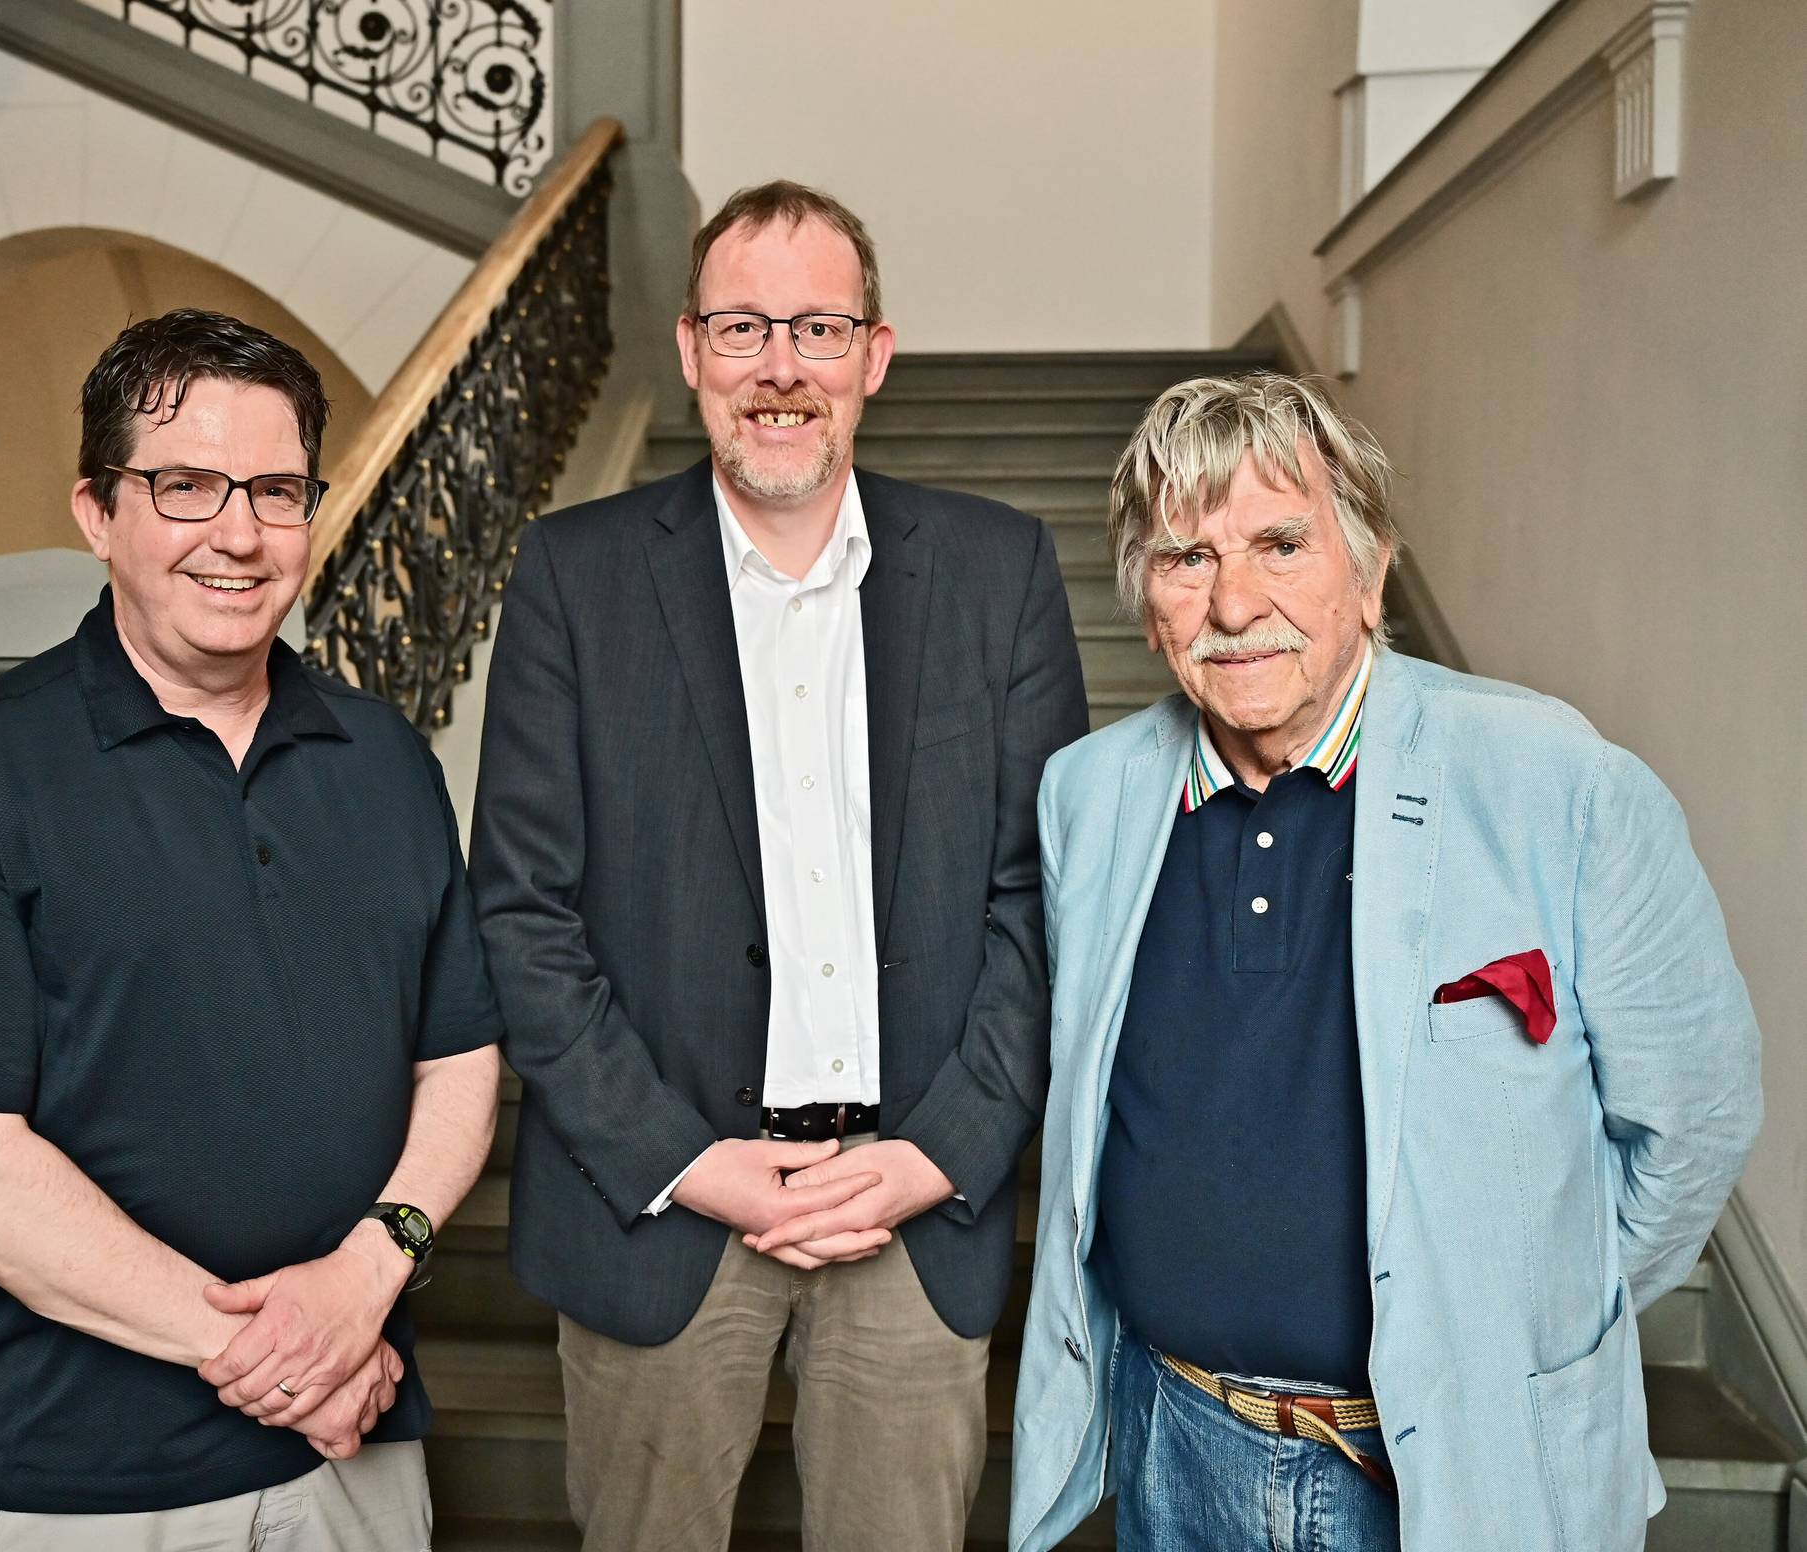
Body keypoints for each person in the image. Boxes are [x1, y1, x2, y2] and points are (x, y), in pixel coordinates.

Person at [1007, 371, 1762, 1552]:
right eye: (1186, 557)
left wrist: (1507, 1316)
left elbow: (1695, 1118)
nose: (1235, 601)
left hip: (1456, 1466)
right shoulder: (1087, 795)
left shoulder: (1552, 777)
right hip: (1176, 1441)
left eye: (1280, 542)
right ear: (1147, 602)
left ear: (1369, 572)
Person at [469, 181, 1088, 1550]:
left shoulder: (997, 572)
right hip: (663, 1207)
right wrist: (690, 1160)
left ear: (875, 351)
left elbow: (1042, 900)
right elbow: (522, 912)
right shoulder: (573, 577)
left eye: (819, 327)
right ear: (691, 350)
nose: (782, 370)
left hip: (913, 1210)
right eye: (744, 329)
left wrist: (941, 1152)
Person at [0, 309, 503, 1551]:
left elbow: (460, 1057)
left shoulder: (386, 761)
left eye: (276, 488)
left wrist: (369, 1276)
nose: (240, 534)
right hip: (83, 1482)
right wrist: (281, 1356)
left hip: (358, 1463)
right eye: (187, 486)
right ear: (98, 511)